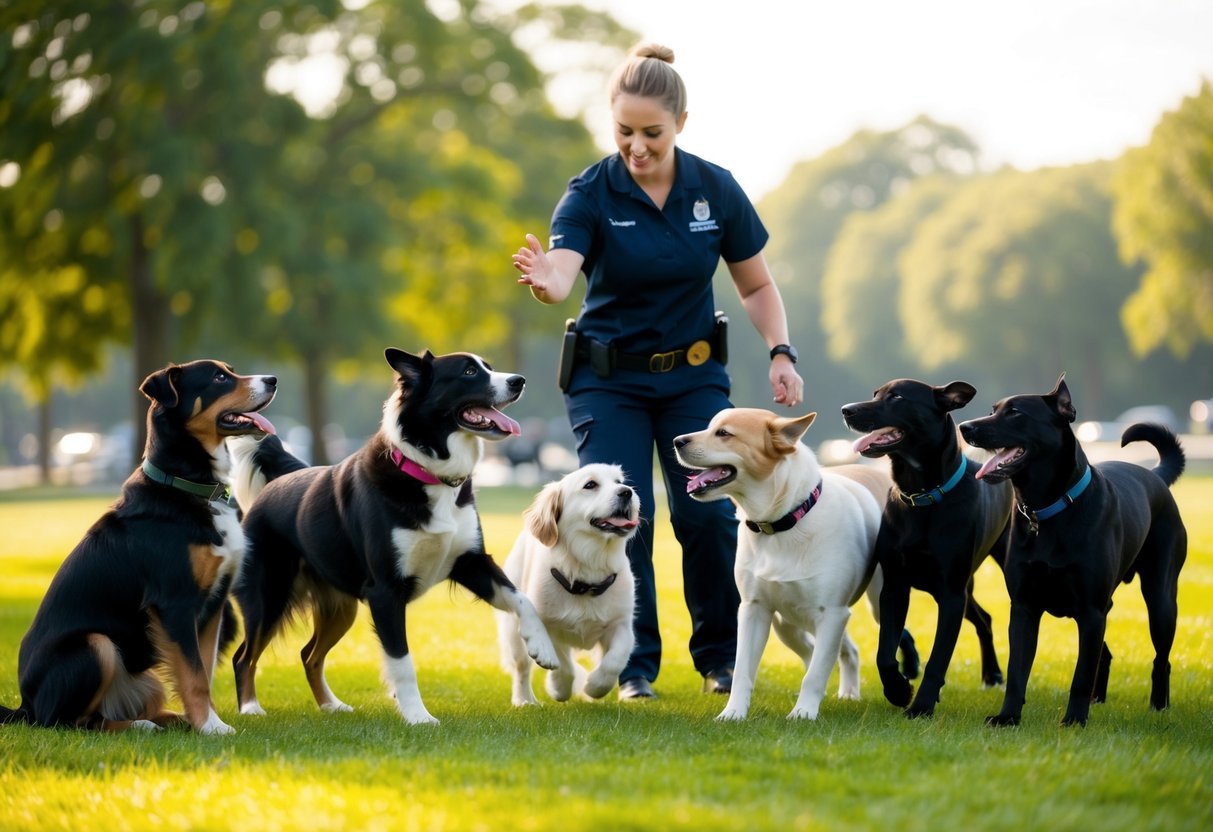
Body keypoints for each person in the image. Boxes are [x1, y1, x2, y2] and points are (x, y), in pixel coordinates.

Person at [512, 42, 804, 700]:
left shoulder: (714, 188)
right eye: (623, 132)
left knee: (705, 517)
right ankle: (634, 664)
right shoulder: (590, 190)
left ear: (680, 124)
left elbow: (755, 286)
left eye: (651, 133)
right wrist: (544, 281)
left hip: (693, 379)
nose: (636, 147)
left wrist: (780, 350)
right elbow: (561, 272)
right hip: (606, 380)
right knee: (621, 513)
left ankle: (720, 659)